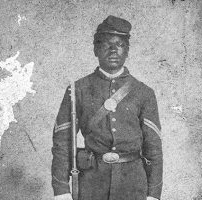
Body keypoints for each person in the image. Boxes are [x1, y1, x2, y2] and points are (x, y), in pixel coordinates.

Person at [52, 15, 163, 200]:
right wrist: (61, 190)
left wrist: (153, 194)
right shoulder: (77, 89)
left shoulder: (144, 92)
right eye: (106, 44)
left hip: (133, 185)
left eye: (119, 44)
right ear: (95, 49)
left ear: (127, 50)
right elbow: (62, 144)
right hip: (91, 184)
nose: (113, 50)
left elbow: (154, 148)